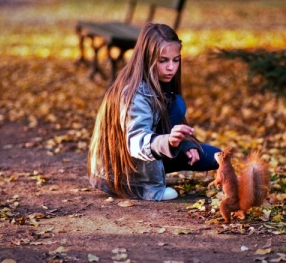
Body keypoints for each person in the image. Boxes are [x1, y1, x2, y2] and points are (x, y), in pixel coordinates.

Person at [87, 23, 221, 201]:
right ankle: (149, 187)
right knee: (178, 106)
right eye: (163, 60)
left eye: (176, 59)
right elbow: (136, 142)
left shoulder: (161, 81)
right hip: (120, 173)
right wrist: (169, 142)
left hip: (157, 148)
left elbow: (169, 120)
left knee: (216, 156)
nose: (171, 68)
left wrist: (185, 143)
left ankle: (160, 168)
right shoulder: (134, 93)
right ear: (147, 58)